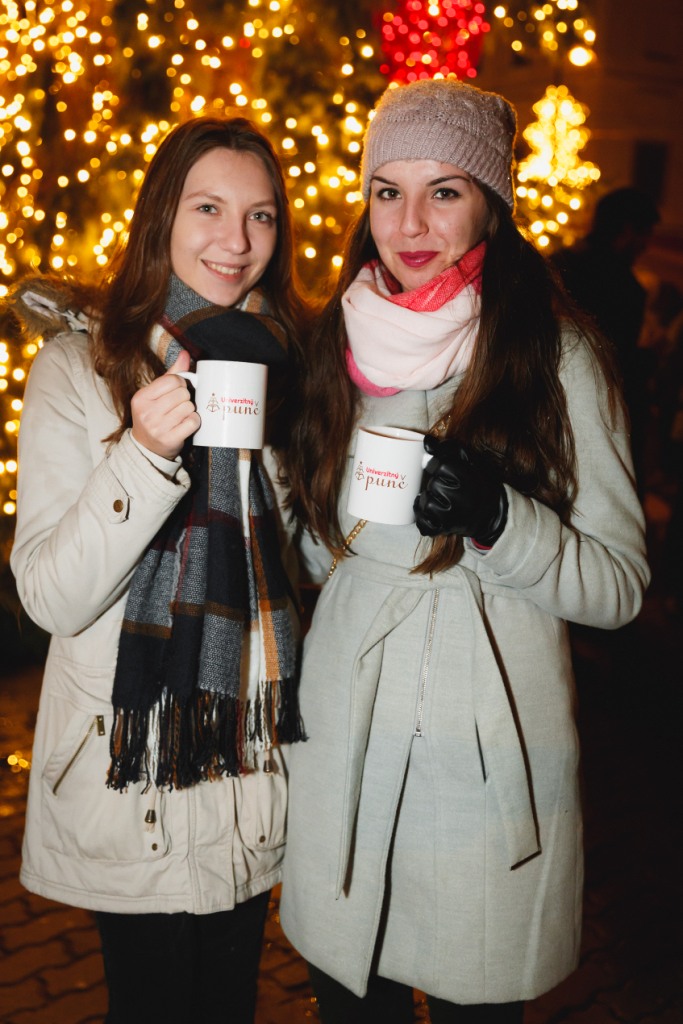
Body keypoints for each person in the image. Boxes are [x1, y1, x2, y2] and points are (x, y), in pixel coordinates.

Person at [279, 79, 649, 1022]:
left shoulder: (556, 355)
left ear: (491, 202)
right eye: (386, 191)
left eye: (442, 191)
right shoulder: (334, 344)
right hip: (344, 742)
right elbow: (320, 560)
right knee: (348, 996)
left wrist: (498, 520)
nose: (408, 224)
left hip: (477, 761)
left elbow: (617, 586)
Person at [8, 116, 307, 1024]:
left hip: (246, 767)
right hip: (129, 769)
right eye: (208, 207)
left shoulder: (289, 372)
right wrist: (141, 455)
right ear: (161, 217)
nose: (235, 240)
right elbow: (51, 597)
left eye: (260, 215)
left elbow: (299, 564)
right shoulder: (79, 368)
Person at [551, 186, 660, 489]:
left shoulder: (559, 262)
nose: (646, 245)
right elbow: (618, 363)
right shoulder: (625, 286)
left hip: (548, 405)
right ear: (627, 231)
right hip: (598, 414)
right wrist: (650, 358)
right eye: (645, 234)